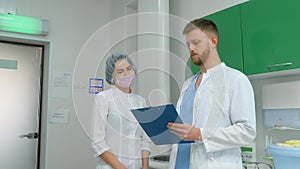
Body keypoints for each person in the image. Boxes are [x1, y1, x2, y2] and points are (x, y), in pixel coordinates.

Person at [167, 18, 256, 169]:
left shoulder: (235, 79)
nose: (191, 49)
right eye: (188, 44)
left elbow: (247, 131)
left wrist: (200, 134)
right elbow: (183, 127)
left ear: (213, 42)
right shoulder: (187, 85)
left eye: (196, 42)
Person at [91, 53, 150, 169]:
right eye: (120, 71)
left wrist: (145, 166)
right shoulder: (103, 98)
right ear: (111, 77)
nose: (126, 74)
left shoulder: (141, 101)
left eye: (129, 69)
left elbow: (145, 139)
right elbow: (97, 142)